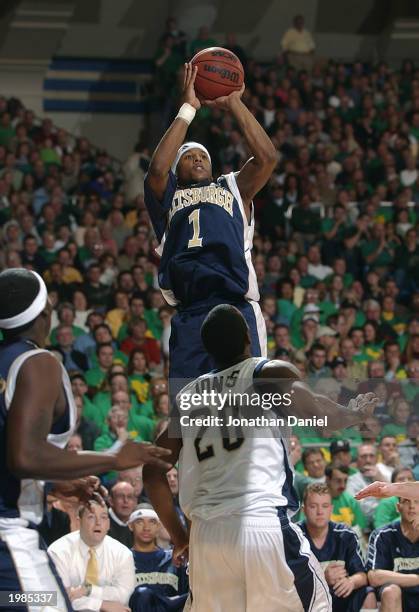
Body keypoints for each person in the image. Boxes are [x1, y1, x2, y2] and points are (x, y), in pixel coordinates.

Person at [143, 304, 378, 611]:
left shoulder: (189, 396)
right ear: (248, 337)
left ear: (209, 350)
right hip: (261, 525)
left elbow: (151, 472)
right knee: (317, 605)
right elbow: (319, 413)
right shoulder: (267, 373)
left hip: (206, 539)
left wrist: (179, 535)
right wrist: (355, 414)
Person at [0, 268, 171, 605]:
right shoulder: (36, 363)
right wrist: (114, 457)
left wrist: (53, 485)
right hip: (10, 539)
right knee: (51, 601)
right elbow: (24, 457)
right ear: (46, 311)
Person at [144, 63, 277, 381]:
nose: (198, 158)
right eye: (188, 156)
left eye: (203, 155)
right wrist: (189, 108)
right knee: (190, 417)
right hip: (191, 313)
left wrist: (235, 104)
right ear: (179, 169)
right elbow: (157, 171)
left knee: (248, 407)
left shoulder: (231, 186)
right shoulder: (168, 197)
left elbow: (267, 158)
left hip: (237, 307)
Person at [299, 483, 376, 612]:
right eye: (313, 506)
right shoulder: (295, 537)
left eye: (325, 506)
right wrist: (322, 578)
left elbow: (362, 576)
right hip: (307, 600)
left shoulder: (346, 534)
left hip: (340, 596)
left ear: (331, 509)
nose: (319, 512)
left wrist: (351, 581)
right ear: (304, 509)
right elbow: (288, 583)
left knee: (368, 594)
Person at [48, 501, 135, 612]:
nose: (98, 523)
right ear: (79, 522)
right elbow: (57, 598)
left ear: (108, 524)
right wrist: (100, 605)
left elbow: (124, 595)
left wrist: (88, 590)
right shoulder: (59, 551)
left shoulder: (122, 553)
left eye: (103, 518)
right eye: (91, 517)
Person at [128, 505, 188, 612]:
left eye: (152, 522)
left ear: (159, 526)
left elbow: (188, 596)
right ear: (130, 526)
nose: (146, 528)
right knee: (143, 595)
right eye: (140, 522)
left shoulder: (175, 558)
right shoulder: (122, 558)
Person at [366, 496, 419, 612]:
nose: (412, 506)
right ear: (398, 507)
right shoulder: (383, 535)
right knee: (391, 591)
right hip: (396, 599)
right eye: (406, 501)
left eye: (417, 501)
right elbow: (374, 577)